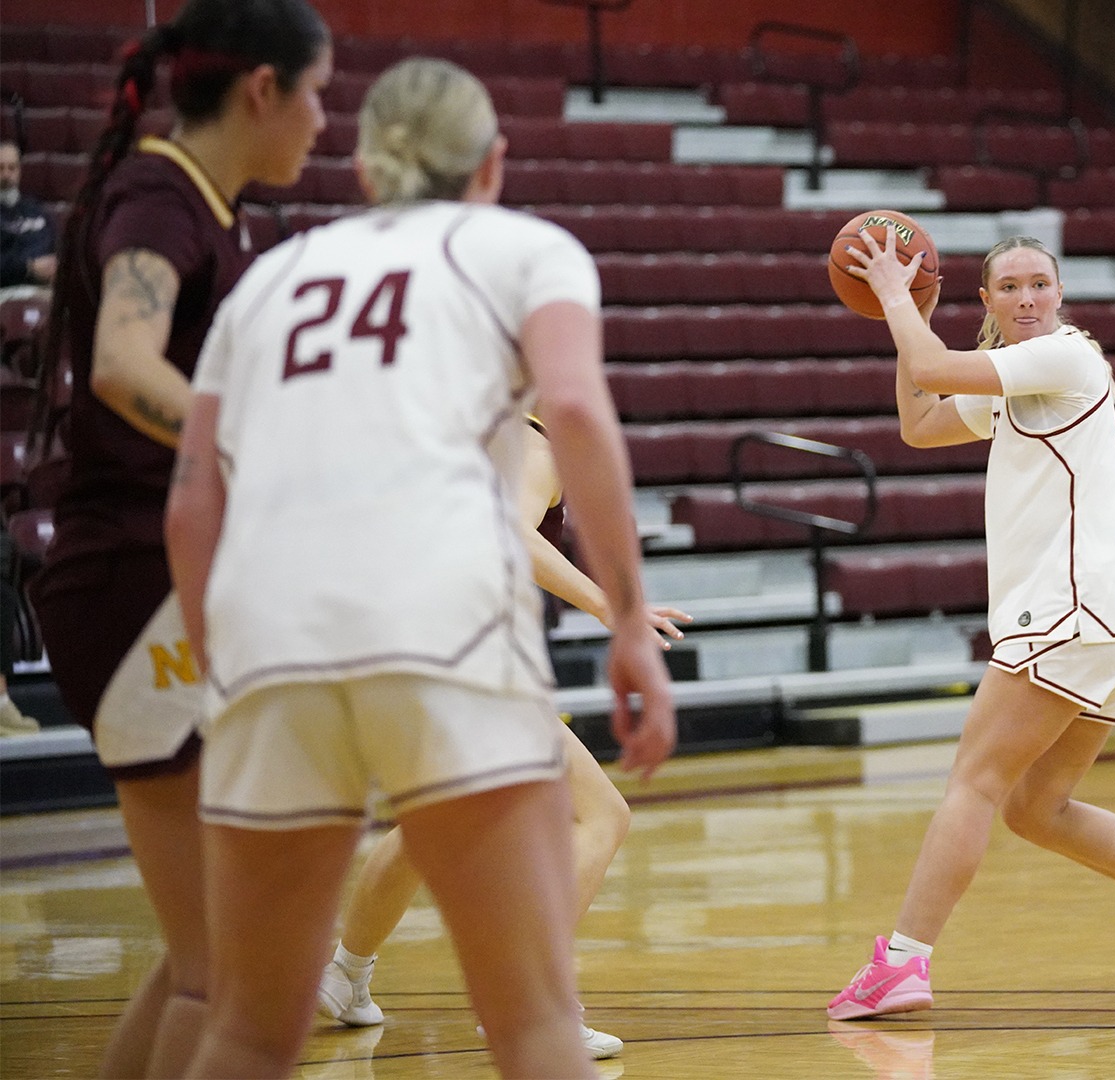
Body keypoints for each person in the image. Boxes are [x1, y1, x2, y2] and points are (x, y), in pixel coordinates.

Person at [166, 56, 676, 1078]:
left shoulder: (272, 276)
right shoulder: (526, 253)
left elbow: (192, 499)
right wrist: (625, 619)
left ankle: (345, 974)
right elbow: (578, 414)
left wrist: (220, 658)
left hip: (275, 635)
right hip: (436, 627)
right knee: (532, 1022)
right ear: (492, 163)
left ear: (364, 170)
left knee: (248, 1027)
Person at [826, 232, 1115, 1021]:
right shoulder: (1014, 376)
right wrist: (912, 316)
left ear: (1059, 294)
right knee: (1034, 807)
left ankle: (903, 963)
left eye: (1039, 284)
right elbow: (921, 421)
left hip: (1071, 609)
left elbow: (933, 369)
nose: (1027, 298)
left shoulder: (1065, 357)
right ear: (986, 300)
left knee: (973, 784)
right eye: (1010, 287)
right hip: (1110, 616)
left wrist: (893, 297)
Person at [23, 3, 331, 1073]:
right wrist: (250, 446)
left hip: (160, 579)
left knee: (202, 964)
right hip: (131, 583)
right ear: (262, 90)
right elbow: (122, 362)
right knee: (229, 976)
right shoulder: (161, 194)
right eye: (316, 94)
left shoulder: (210, 207)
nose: (323, 121)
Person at [314, 416, 691, 1060]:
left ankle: (346, 976)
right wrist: (613, 608)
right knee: (599, 815)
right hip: (463, 648)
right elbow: (512, 534)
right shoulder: (535, 444)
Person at [0, 139, 58, 289]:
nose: (6, 174)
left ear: (19, 171)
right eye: (0, 168)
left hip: (42, 290)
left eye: (12, 168)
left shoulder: (36, 210)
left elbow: (55, 248)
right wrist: (29, 267)